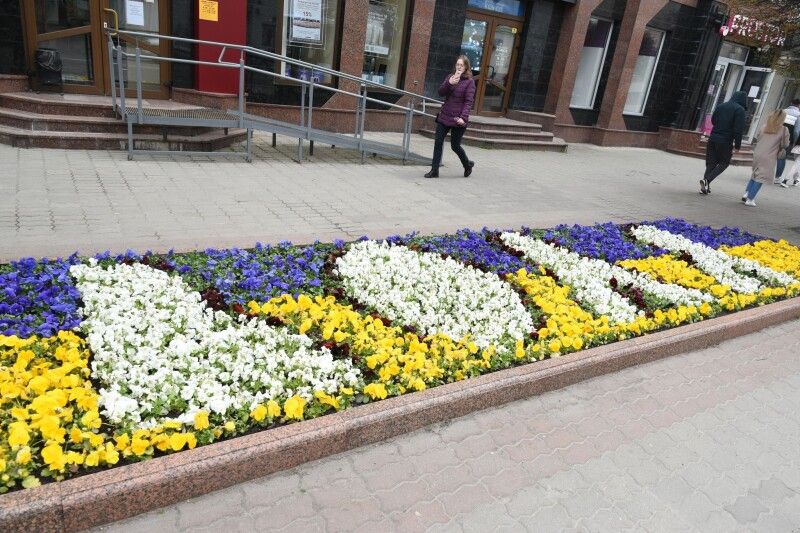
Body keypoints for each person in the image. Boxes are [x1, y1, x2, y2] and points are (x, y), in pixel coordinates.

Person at [425, 55, 476, 179]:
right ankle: (434, 170)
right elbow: (441, 92)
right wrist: (449, 83)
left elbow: (468, 102)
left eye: (461, 65)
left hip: (458, 118)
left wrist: (463, 118)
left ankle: (467, 165)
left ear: (466, 67)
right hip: (445, 115)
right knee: (438, 142)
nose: (459, 67)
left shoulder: (470, 82)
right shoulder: (450, 77)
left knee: (455, 145)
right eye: (457, 64)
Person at [700, 91, 747, 195]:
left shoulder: (721, 106)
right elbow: (738, 130)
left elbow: (713, 120)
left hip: (712, 138)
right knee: (724, 163)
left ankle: (705, 187)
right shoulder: (740, 110)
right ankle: (707, 181)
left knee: (711, 163)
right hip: (725, 141)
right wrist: (737, 145)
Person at [741, 109, 790, 207]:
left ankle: (746, 193)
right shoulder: (784, 129)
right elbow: (785, 144)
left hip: (758, 153)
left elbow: (758, 138)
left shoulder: (764, 126)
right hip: (769, 156)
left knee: (755, 174)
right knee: (761, 178)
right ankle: (750, 199)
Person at [778, 99, 800, 187]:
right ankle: (779, 178)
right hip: (788, 139)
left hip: (776, 137)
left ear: (791, 103)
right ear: (798, 105)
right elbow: (796, 131)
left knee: (771, 155)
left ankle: (796, 179)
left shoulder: (782, 111)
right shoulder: (798, 115)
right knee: (782, 157)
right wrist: (794, 141)